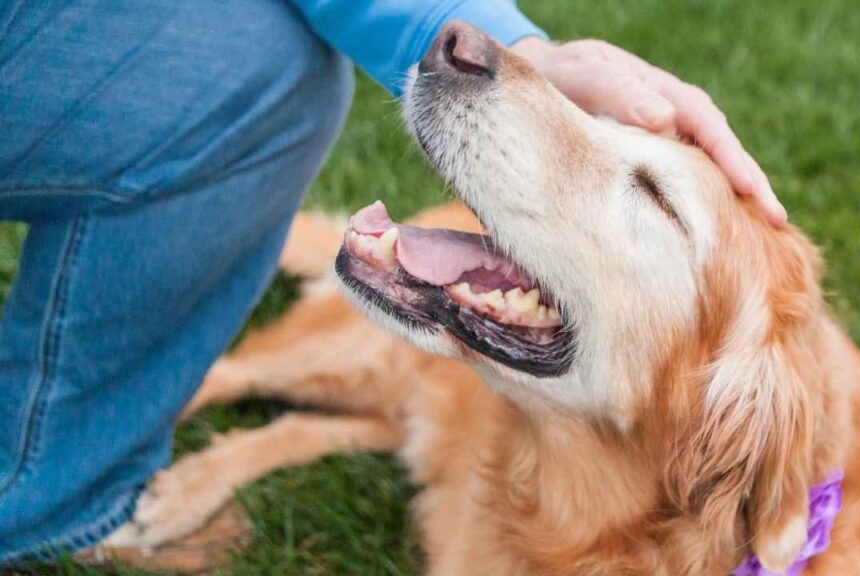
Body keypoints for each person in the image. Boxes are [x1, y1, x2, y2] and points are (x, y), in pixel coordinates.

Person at [0, 0, 785, 566]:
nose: (464, 52)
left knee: (265, 57)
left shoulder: (748, 425)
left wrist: (527, 50)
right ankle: (102, 456)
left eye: (652, 200)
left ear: (722, 417)